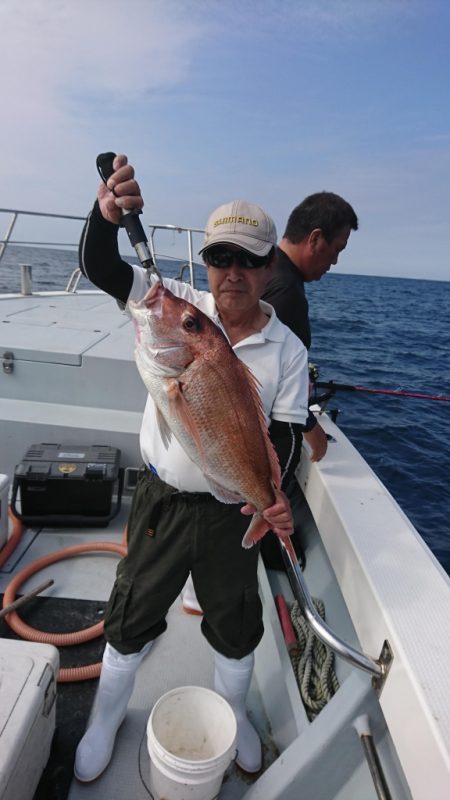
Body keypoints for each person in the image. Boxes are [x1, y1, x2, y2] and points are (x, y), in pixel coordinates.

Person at [74, 154, 310, 782]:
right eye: (220, 257)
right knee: (131, 609)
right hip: (163, 502)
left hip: (233, 509)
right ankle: (104, 718)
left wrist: (273, 497)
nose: (233, 273)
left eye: (250, 260)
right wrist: (104, 216)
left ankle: (233, 719)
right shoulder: (176, 306)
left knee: (235, 623)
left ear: (268, 269)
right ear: (204, 261)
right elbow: (100, 267)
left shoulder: (287, 348)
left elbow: (282, 438)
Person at [263, 191, 359, 463]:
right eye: (337, 250)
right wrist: (308, 424)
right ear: (315, 238)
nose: (335, 262)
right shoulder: (286, 292)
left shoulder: (268, 271)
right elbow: (265, 373)